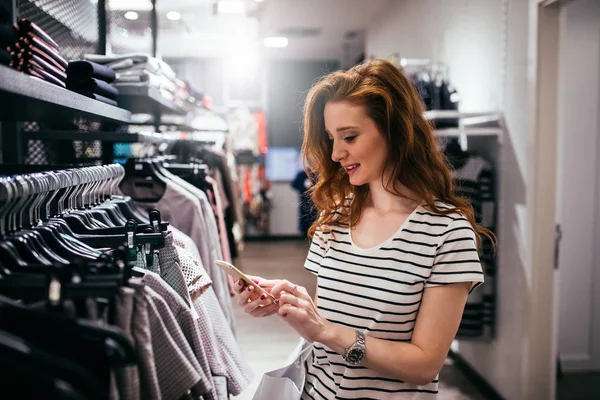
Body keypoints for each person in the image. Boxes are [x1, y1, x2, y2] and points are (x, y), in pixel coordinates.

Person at [233, 59, 494, 399]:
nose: (337, 153)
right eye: (331, 138)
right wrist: (291, 306)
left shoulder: (447, 233)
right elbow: (324, 330)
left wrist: (328, 332)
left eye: (350, 137)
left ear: (394, 131)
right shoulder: (336, 217)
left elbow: (425, 364)